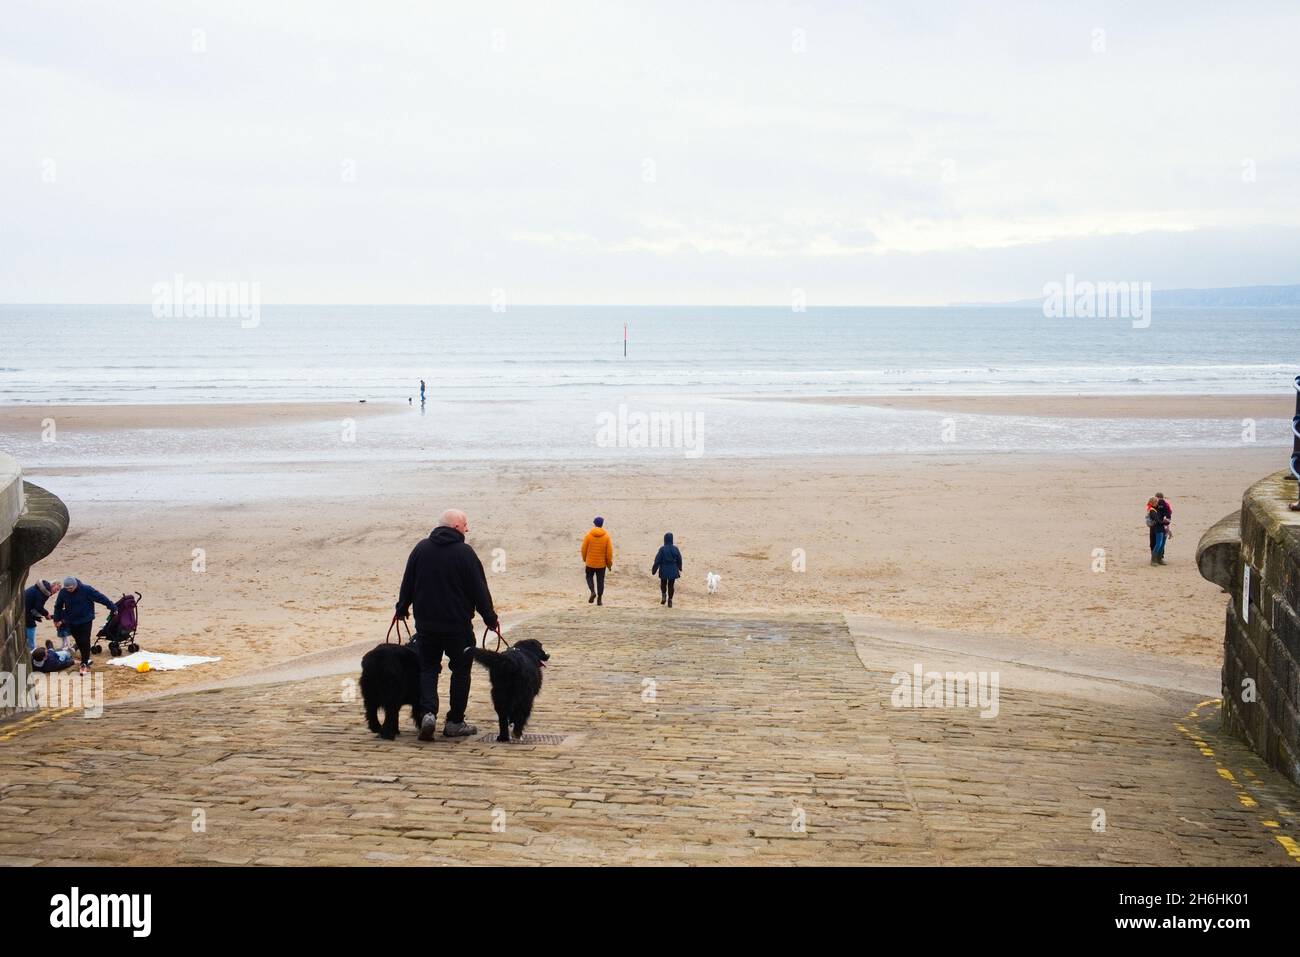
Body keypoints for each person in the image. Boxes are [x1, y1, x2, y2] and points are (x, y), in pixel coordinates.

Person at [394, 508, 500, 741]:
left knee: (428, 669)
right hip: (457, 627)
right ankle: (454, 722)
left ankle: (428, 713)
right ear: (455, 528)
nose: (467, 529)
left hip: (427, 627)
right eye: (465, 525)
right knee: (461, 671)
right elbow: (479, 589)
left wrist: (401, 608)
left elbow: (408, 582)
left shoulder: (420, 549)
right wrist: (490, 618)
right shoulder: (465, 553)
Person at [52, 576, 116, 672]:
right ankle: (84, 657)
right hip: (71, 620)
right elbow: (58, 606)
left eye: (71, 588)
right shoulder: (63, 592)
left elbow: (100, 598)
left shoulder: (86, 589)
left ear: (75, 585)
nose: (69, 590)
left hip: (86, 619)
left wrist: (112, 607)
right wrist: (57, 619)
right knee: (79, 640)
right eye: (67, 589)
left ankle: (84, 663)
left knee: (85, 640)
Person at [581, 516, 613, 605]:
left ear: (594, 524)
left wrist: (585, 559)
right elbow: (609, 553)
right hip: (601, 565)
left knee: (589, 577)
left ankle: (592, 592)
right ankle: (599, 599)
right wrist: (609, 564)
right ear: (602, 524)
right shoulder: (606, 537)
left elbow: (583, 549)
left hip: (590, 563)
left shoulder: (588, 535)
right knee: (600, 581)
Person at [22, 579, 60, 652]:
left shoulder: (42, 588)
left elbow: (36, 604)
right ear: (52, 585)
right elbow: (38, 606)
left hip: (25, 608)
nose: (56, 591)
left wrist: (44, 614)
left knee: (28, 627)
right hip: (26, 610)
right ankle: (32, 649)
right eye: (56, 589)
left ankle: (28, 646)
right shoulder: (44, 592)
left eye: (58, 590)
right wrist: (46, 613)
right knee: (31, 626)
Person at [651, 532, 683, 608]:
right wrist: (680, 567)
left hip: (664, 569)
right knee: (671, 585)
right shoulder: (675, 549)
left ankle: (664, 595)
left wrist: (654, 570)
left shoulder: (662, 549)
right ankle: (670, 600)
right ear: (672, 539)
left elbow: (657, 560)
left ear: (665, 539)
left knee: (663, 583)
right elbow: (679, 559)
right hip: (673, 569)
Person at [1146, 497, 1170, 566]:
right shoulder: (1152, 510)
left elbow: (1167, 511)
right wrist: (1165, 522)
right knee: (1158, 544)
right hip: (1158, 528)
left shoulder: (1158, 508)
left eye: (1157, 502)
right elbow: (1157, 520)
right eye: (1156, 502)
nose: (1157, 503)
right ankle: (1153, 560)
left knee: (1162, 544)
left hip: (1162, 528)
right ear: (1152, 503)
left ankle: (1159, 559)